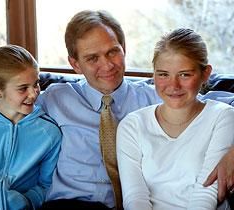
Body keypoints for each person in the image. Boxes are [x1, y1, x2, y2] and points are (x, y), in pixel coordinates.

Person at [37, 10, 234, 209]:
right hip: (70, 205)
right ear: (75, 64)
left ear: (124, 49)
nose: (107, 65)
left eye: (112, 52)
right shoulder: (56, 98)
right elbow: (8, 103)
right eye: (92, 58)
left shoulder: (159, 95)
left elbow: (214, 108)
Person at [116, 28, 234, 210]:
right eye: (163, 74)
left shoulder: (222, 116)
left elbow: (206, 193)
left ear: (205, 74)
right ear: (153, 74)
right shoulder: (132, 125)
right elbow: (134, 197)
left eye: (185, 74)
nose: (173, 85)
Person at [0, 45, 62, 209]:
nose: (34, 93)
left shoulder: (50, 132)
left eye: (36, 84)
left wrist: (26, 201)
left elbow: (47, 185)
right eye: (23, 88)